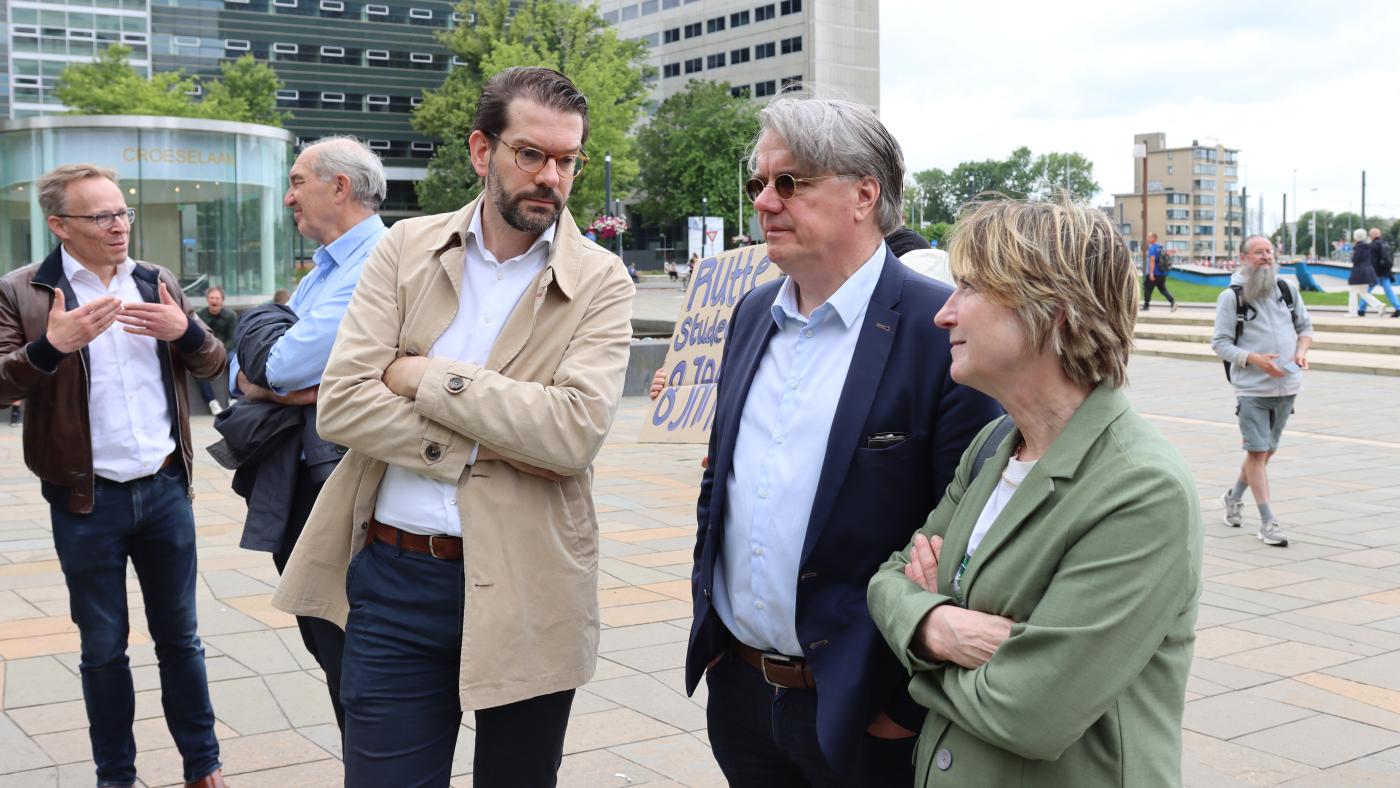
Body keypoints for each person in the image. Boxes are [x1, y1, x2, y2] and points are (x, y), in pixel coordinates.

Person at [270, 66, 634, 787]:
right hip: (396, 579)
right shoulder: (404, 249)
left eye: (568, 160)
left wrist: (423, 377)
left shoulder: (602, 280)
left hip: (534, 581)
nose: (551, 177)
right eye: (530, 154)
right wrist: (487, 442)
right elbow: (342, 402)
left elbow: (572, 434)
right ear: (480, 150)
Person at [684, 96, 1001, 785]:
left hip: (862, 709)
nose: (765, 201)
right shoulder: (749, 315)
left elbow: (969, 538)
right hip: (740, 693)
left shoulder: (937, 330)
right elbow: (723, 486)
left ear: (864, 194)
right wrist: (713, 643)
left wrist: (899, 713)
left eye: (789, 182)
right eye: (759, 184)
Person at [868, 197, 1203, 787]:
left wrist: (916, 650)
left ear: (1054, 311)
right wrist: (939, 629)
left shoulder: (1141, 489)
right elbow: (888, 579)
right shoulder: (995, 445)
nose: (944, 314)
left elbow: (1027, 713)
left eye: (968, 289)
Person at [0, 164, 228, 788]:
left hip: (163, 492)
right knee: (103, 648)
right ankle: (116, 775)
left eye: (121, 212)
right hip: (84, 500)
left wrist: (186, 331)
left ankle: (202, 766)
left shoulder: (155, 280)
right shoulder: (22, 292)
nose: (118, 225)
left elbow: (213, 362)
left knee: (181, 638)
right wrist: (53, 344)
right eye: (100, 216)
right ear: (59, 226)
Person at [228, 135, 387, 735]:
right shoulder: (325, 269)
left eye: (298, 182)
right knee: (328, 653)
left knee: (352, 660)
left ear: (339, 187)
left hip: (340, 487)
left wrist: (278, 376)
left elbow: (278, 368)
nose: (289, 197)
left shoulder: (376, 262)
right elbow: (255, 371)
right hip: (300, 483)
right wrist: (279, 375)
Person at [1213, 235, 1314, 547]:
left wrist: (1301, 352)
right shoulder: (1232, 298)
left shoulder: (1287, 289)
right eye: (1259, 252)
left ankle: (1233, 497)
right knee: (1257, 452)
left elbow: (1305, 329)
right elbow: (1220, 343)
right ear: (1244, 257)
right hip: (1252, 390)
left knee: (1266, 451)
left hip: (1287, 386)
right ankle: (1268, 522)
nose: (1267, 257)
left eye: (1270, 251)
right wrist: (1253, 359)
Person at [195, 285, 237, 414]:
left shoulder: (231, 315)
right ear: (207, 300)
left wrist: (222, 350)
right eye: (211, 298)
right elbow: (198, 336)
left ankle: (233, 398)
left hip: (226, 349)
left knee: (234, 362)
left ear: (222, 300)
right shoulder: (199, 315)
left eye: (217, 298)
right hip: (207, 350)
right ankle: (212, 401)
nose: (214, 301)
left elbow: (232, 338)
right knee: (198, 367)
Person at [1348, 228, 1384, 317]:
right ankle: (1379, 305)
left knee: (1353, 292)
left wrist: (1352, 255)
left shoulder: (1358, 248)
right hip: (1368, 273)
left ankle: (1353, 313)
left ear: (1356, 237)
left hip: (1358, 273)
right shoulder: (1368, 247)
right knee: (1364, 293)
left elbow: (1355, 260)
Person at [1142, 232, 1177, 312]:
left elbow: (1152, 261)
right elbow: (1168, 254)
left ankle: (1146, 305)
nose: (1147, 238)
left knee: (1147, 288)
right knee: (1163, 289)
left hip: (1154, 273)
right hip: (1162, 273)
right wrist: (1173, 251)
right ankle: (1173, 302)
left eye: (1149, 237)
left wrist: (1151, 273)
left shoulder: (1152, 248)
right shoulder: (1161, 247)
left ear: (1154, 239)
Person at [1367, 227, 1399, 316]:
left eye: (1370, 235)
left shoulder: (1373, 245)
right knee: (1389, 291)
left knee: (1366, 292)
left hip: (1376, 273)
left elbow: (1372, 261)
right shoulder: (1386, 244)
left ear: (1372, 235)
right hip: (1386, 272)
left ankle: (1361, 309)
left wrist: (1371, 272)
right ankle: (1398, 307)